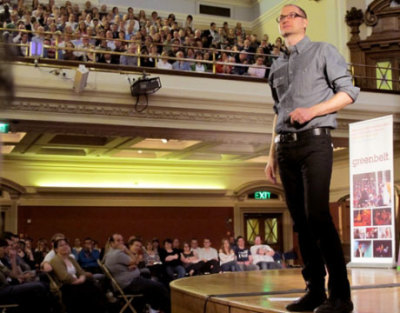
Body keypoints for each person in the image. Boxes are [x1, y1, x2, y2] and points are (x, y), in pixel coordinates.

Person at [265, 4, 359, 313]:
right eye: (282, 17)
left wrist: (313, 111)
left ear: (304, 22)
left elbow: (347, 93)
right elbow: (278, 113)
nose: (286, 19)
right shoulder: (276, 66)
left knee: (318, 216)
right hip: (285, 147)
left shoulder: (323, 51)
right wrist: (271, 155)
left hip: (315, 142)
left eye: (292, 15)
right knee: (301, 224)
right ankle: (315, 291)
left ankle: (341, 296)